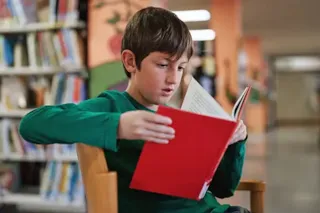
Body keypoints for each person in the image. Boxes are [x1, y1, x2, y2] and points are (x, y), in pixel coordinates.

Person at [19, 7, 249, 213]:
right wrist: (118, 126)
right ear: (130, 62)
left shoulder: (177, 117)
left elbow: (223, 188)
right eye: (162, 65)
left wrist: (235, 142)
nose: (173, 79)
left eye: (180, 68)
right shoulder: (113, 105)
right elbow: (31, 124)